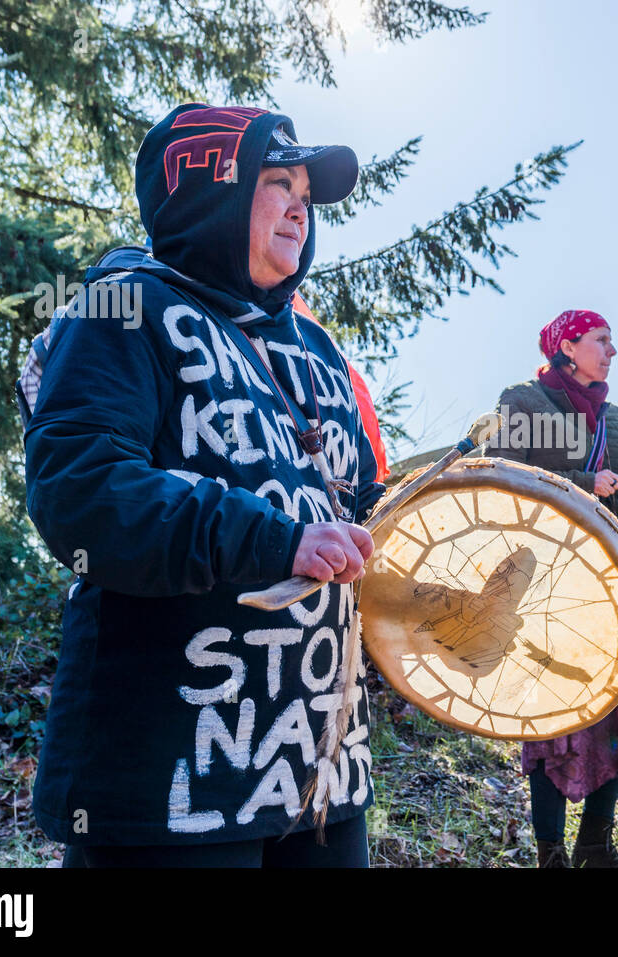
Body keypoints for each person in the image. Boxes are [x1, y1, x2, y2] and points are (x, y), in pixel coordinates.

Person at [20, 103, 385, 867]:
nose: (299, 205)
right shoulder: (123, 308)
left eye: (306, 193)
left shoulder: (318, 348)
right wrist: (274, 540)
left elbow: (356, 507)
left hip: (320, 766)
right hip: (168, 781)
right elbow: (82, 490)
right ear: (210, 191)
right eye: (276, 181)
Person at [485, 309, 618, 867]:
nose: (612, 351)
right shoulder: (522, 401)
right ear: (567, 346)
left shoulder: (612, 417)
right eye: (601, 340)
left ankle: (596, 843)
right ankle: (550, 852)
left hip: (614, 581)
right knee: (553, 717)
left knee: (614, 711)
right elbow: (499, 472)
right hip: (548, 582)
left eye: (612, 341)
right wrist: (583, 483)